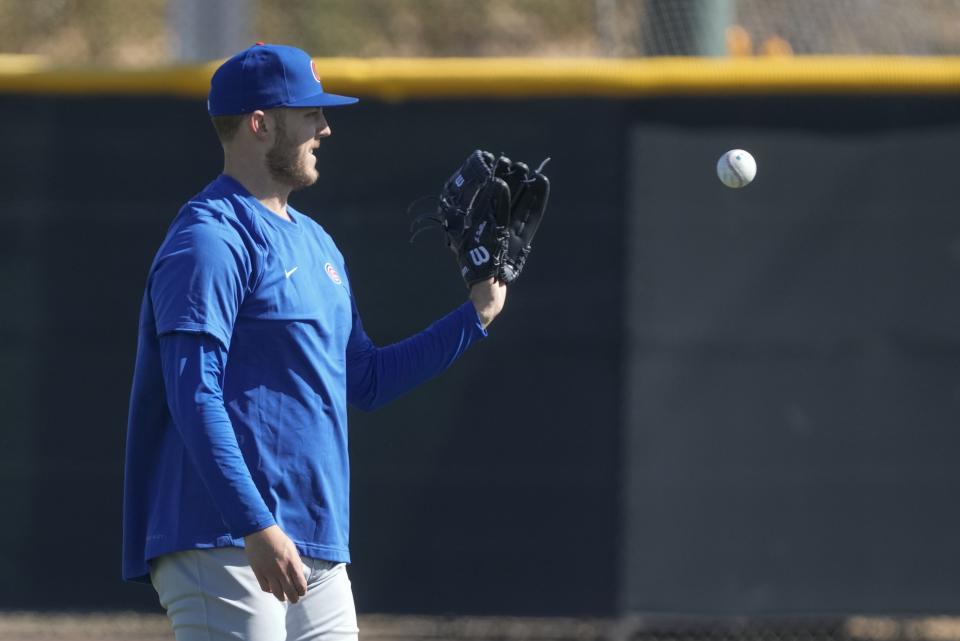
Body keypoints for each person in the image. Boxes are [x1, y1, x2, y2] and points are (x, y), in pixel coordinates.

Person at [122, 43, 506, 641]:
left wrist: (477, 314)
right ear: (259, 124)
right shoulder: (208, 240)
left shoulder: (318, 244)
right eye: (309, 114)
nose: (325, 128)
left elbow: (367, 379)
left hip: (318, 546)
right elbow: (194, 394)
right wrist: (254, 524)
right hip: (223, 537)